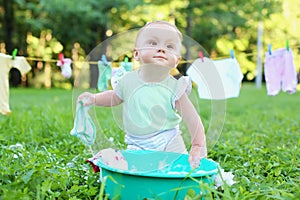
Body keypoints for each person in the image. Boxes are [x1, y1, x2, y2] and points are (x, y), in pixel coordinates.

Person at [78, 20, 207, 168]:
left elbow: (192, 119)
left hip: (168, 141)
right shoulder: (127, 81)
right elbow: (114, 97)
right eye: (153, 43)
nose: (161, 49)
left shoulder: (174, 88)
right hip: (137, 144)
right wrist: (94, 99)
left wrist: (197, 146)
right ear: (136, 53)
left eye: (169, 46)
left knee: (181, 168)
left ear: (177, 60)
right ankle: (108, 160)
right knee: (131, 168)